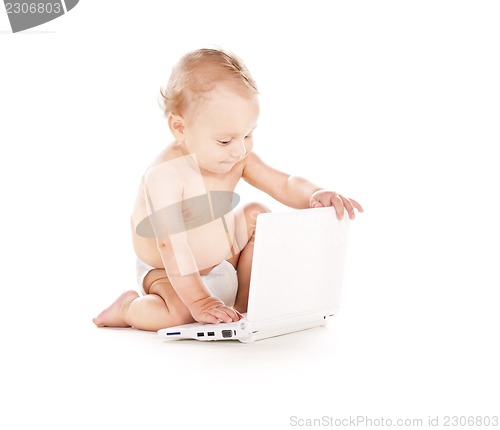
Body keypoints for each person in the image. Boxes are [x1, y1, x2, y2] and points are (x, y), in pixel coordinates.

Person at [93, 47, 363, 332]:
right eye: (225, 141)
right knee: (180, 314)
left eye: (248, 134)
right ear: (179, 127)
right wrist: (199, 301)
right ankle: (128, 309)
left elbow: (283, 182)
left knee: (257, 215)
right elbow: (171, 244)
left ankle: (242, 306)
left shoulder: (237, 157)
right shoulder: (166, 176)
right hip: (166, 271)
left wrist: (314, 194)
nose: (240, 149)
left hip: (218, 258)